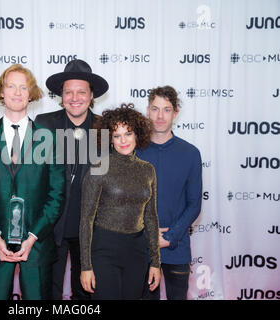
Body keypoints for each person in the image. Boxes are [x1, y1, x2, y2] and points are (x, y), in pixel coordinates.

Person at [0, 64, 65, 300]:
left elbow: (56, 194)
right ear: (1, 91)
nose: (17, 92)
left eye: (24, 87)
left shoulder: (49, 138)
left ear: (31, 94)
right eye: (11, 86)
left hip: (37, 245)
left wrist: (33, 237)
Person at [35, 59, 108, 300]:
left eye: (81, 92)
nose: (74, 98)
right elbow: (33, 178)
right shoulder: (44, 124)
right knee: (49, 292)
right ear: (61, 95)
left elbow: (109, 180)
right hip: (51, 228)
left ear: (91, 95)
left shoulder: (103, 128)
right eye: (68, 92)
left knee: (86, 293)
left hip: (91, 229)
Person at [79, 104, 161, 300]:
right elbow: (86, 220)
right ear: (109, 139)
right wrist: (86, 266)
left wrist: (156, 262)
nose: (123, 140)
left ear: (137, 135)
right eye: (117, 135)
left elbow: (150, 217)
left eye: (128, 133)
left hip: (137, 252)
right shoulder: (98, 168)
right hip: (104, 250)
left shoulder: (148, 170)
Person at [137, 85, 202, 300]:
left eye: (166, 109)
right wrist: (148, 234)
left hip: (176, 247)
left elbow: (194, 204)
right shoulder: (134, 151)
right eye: (155, 109)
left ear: (175, 112)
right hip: (142, 246)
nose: (160, 116)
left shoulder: (190, 153)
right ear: (147, 111)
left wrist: (170, 236)